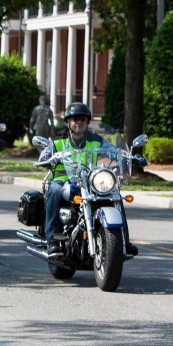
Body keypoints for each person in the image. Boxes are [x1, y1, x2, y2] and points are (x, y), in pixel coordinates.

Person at [37, 102, 138, 257]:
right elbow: (44, 155)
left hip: (89, 180)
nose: (79, 121)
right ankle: (53, 240)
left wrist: (125, 155)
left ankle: (124, 242)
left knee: (114, 193)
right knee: (54, 190)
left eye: (83, 119)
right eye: (75, 118)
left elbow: (112, 150)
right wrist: (46, 158)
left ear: (87, 121)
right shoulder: (57, 140)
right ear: (68, 122)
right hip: (63, 180)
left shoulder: (95, 140)